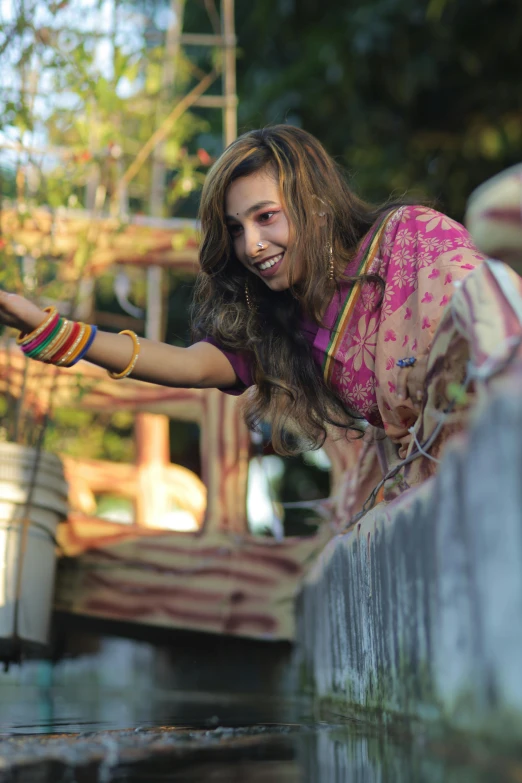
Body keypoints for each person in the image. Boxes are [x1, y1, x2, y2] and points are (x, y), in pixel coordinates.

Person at [0, 125, 490, 514]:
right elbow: (187, 367)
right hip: (440, 500)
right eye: (236, 229)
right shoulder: (280, 328)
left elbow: (485, 326)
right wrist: (50, 331)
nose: (251, 245)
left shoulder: (413, 238)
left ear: (314, 207)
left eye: (266, 217)